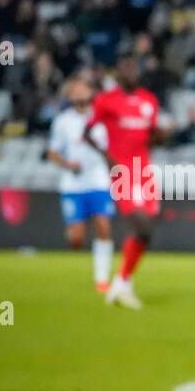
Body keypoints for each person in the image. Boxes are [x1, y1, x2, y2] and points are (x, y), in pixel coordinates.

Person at [84, 55, 166, 309]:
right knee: (142, 227)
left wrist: (161, 136)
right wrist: (106, 156)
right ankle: (122, 283)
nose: (131, 73)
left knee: (146, 231)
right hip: (122, 171)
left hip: (144, 171)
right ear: (118, 74)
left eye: (134, 69)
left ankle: (121, 283)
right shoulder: (106, 101)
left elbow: (152, 138)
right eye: (126, 69)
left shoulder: (149, 101)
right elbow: (87, 133)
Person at [46, 76, 113, 291]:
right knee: (76, 239)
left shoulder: (101, 119)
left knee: (103, 226)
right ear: (69, 95)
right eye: (74, 89)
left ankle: (101, 278)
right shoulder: (63, 121)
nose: (79, 92)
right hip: (73, 183)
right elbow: (53, 153)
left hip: (98, 179)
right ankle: (79, 248)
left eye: (82, 88)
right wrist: (68, 164)